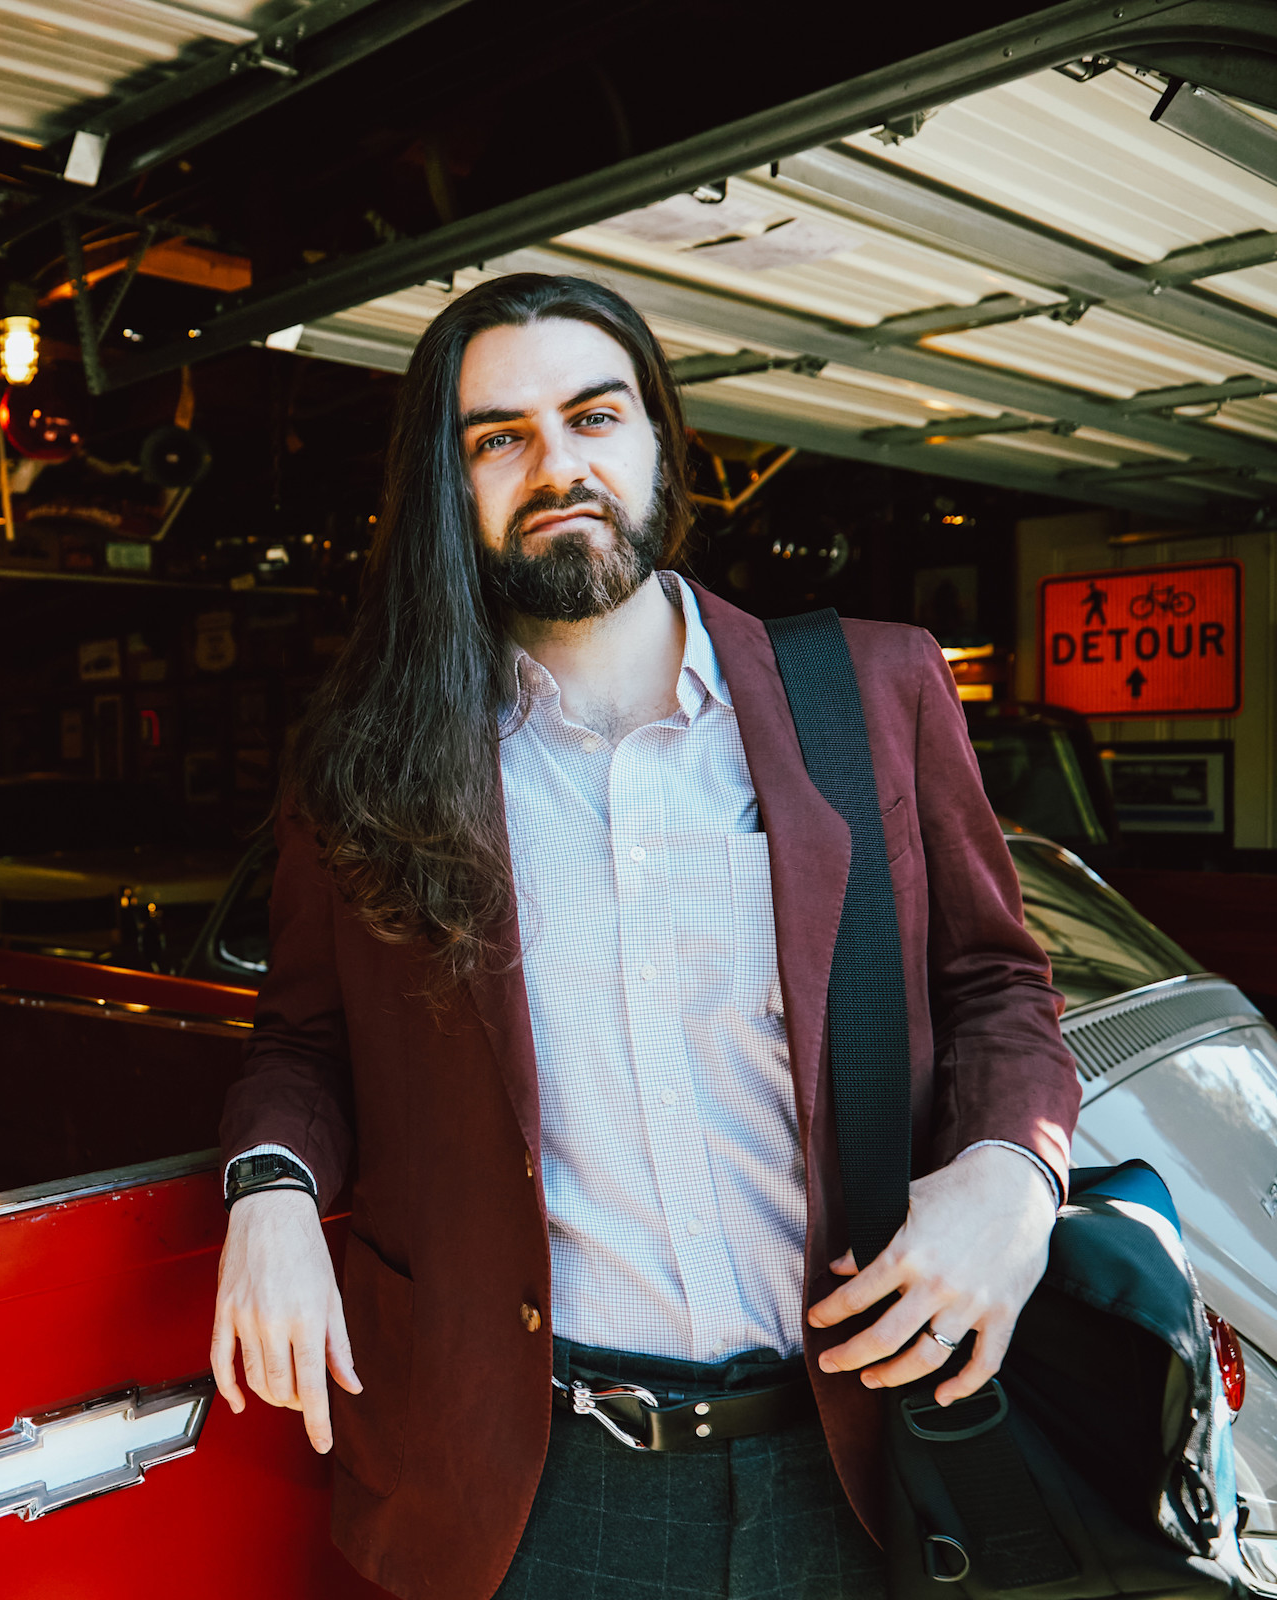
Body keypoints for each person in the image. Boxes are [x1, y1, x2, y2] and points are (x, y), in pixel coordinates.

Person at [210, 273, 1077, 1599]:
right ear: (449, 491)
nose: (556, 464)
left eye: (594, 416)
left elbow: (995, 982)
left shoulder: (874, 688)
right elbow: (305, 1041)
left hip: (853, 1453)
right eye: (498, 437)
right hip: (529, 1487)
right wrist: (268, 1190)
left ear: (663, 442)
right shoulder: (365, 763)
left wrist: (1017, 1177)